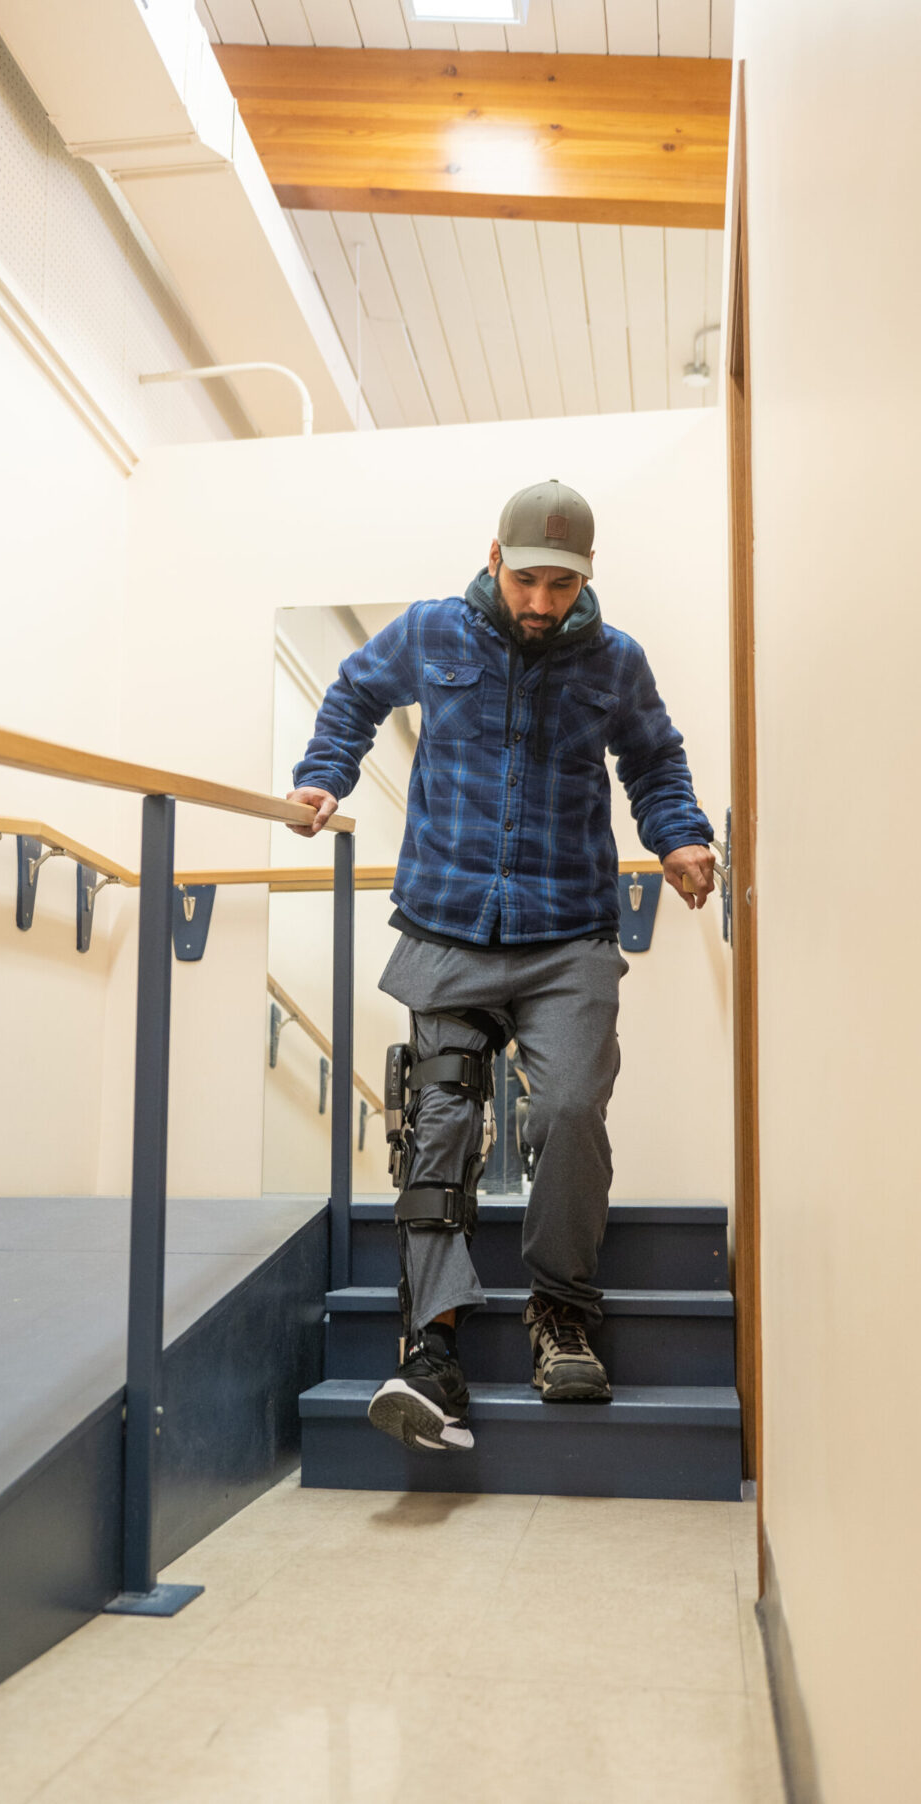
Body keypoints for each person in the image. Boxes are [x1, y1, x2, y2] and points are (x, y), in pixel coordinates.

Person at [285, 479, 715, 1454]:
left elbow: (654, 760)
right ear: (495, 559)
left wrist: (680, 834)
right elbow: (355, 692)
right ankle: (432, 1344)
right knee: (438, 1119)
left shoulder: (615, 660)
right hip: (447, 923)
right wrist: (324, 776)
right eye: (526, 581)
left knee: (569, 1110)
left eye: (561, 586)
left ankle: (561, 1312)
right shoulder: (433, 632)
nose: (540, 602)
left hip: (568, 932)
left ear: (586, 577)